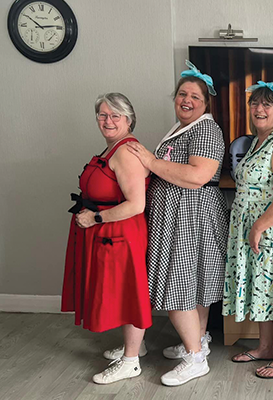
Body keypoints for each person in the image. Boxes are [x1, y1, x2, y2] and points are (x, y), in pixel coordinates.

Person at [125, 61, 229, 386]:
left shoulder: (206, 130)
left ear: (206, 104)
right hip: (178, 215)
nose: (187, 100)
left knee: (178, 286)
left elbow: (199, 175)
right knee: (194, 285)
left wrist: (150, 160)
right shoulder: (182, 128)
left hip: (190, 216)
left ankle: (195, 358)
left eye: (195, 96)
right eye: (182, 94)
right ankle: (196, 342)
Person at [61, 93, 152, 384]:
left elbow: (136, 204)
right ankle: (136, 346)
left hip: (120, 234)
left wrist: (95, 218)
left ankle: (131, 362)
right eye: (102, 115)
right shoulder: (113, 147)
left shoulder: (126, 152)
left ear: (129, 119)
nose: (108, 121)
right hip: (109, 234)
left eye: (115, 116)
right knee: (122, 292)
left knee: (128, 293)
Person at [223, 81, 273, 379]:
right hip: (255, 229)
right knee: (263, 286)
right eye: (255, 103)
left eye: (267, 104)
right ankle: (265, 348)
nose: (259, 109)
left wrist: (258, 226)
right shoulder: (259, 141)